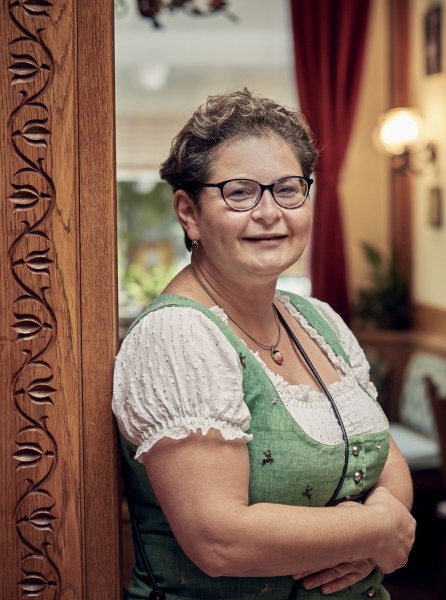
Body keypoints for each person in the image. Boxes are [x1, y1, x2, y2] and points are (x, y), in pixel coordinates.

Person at [112, 89, 415, 600]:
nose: (269, 212)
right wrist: (380, 532)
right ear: (188, 212)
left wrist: (384, 516)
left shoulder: (318, 321)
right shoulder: (177, 339)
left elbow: (386, 461)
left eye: (288, 189)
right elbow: (220, 539)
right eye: (240, 192)